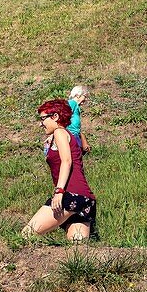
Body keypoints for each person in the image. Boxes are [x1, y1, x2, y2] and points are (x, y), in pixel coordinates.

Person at [23, 99, 96, 242]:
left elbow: (66, 161)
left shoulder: (59, 132)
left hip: (70, 196)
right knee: (77, 249)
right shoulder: (65, 135)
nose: (40, 123)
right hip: (85, 198)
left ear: (55, 117)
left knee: (27, 235)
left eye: (43, 118)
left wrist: (59, 191)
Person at [67, 85, 91, 153]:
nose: (85, 99)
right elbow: (63, 116)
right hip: (70, 134)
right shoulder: (72, 103)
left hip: (75, 134)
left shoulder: (76, 106)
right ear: (78, 95)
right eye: (84, 97)